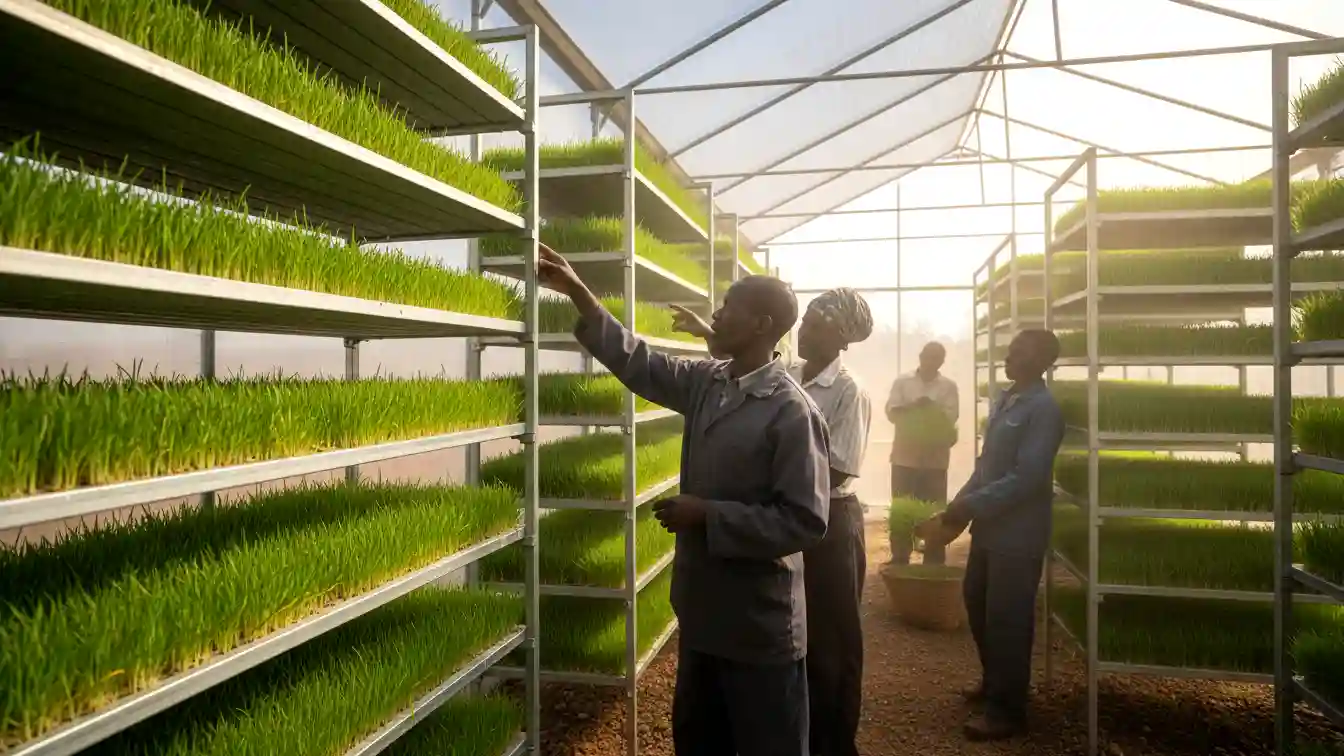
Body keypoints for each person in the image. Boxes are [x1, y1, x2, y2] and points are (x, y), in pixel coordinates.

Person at [538, 244, 831, 756]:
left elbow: (805, 521)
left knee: (772, 743)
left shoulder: (791, 411)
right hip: (702, 612)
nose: (716, 314)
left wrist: (707, 514)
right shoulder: (708, 382)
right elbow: (640, 362)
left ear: (761, 324)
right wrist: (581, 294)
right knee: (698, 739)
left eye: (729, 306)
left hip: (760, 623)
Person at [673, 289, 874, 756]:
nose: (803, 330)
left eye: (817, 324)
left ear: (841, 337)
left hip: (831, 523)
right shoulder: (792, 375)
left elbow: (838, 467)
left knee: (830, 641)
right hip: (779, 512)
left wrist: (775, 462)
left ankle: (834, 743)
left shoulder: (848, 391)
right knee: (794, 644)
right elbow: (751, 374)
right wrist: (712, 334)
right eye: (804, 321)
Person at [917, 329, 1064, 742]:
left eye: (1021, 352)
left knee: (1008, 621)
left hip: (1018, 536)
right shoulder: (1006, 399)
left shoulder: (1043, 410)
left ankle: (1008, 711)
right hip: (989, 530)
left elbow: (1027, 479)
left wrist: (968, 506)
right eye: (1012, 348)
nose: (1010, 355)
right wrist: (956, 508)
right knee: (978, 605)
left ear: (1042, 362)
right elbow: (985, 467)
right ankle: (994, 683)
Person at [885, 341, 959, 565]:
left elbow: (951, 418)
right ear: (920, 356)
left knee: (934, 511)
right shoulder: (903, 382)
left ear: (942, 362)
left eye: (937, 358)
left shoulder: (948, 386)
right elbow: (891, 412)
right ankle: (900, 556)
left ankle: (934, 558)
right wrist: (915, 407)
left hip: (934, 461)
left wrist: (931, 409)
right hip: (904, 458)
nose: (931, 361)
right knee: (902, 510)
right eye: (928, 356)